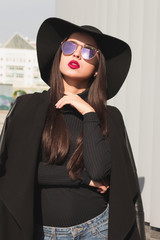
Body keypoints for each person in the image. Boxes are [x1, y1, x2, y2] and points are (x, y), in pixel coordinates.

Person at [0, 18, 146, 240]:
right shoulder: (28, 107)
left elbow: (99, 172)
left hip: (96, 229)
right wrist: (82, 179)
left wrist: (89, 114)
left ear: (98, 68)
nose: (77, 55)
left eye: (88, 52)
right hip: (43, 233)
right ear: (59, 55)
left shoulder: (110, 117)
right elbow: (20, 172)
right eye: (69, 47)